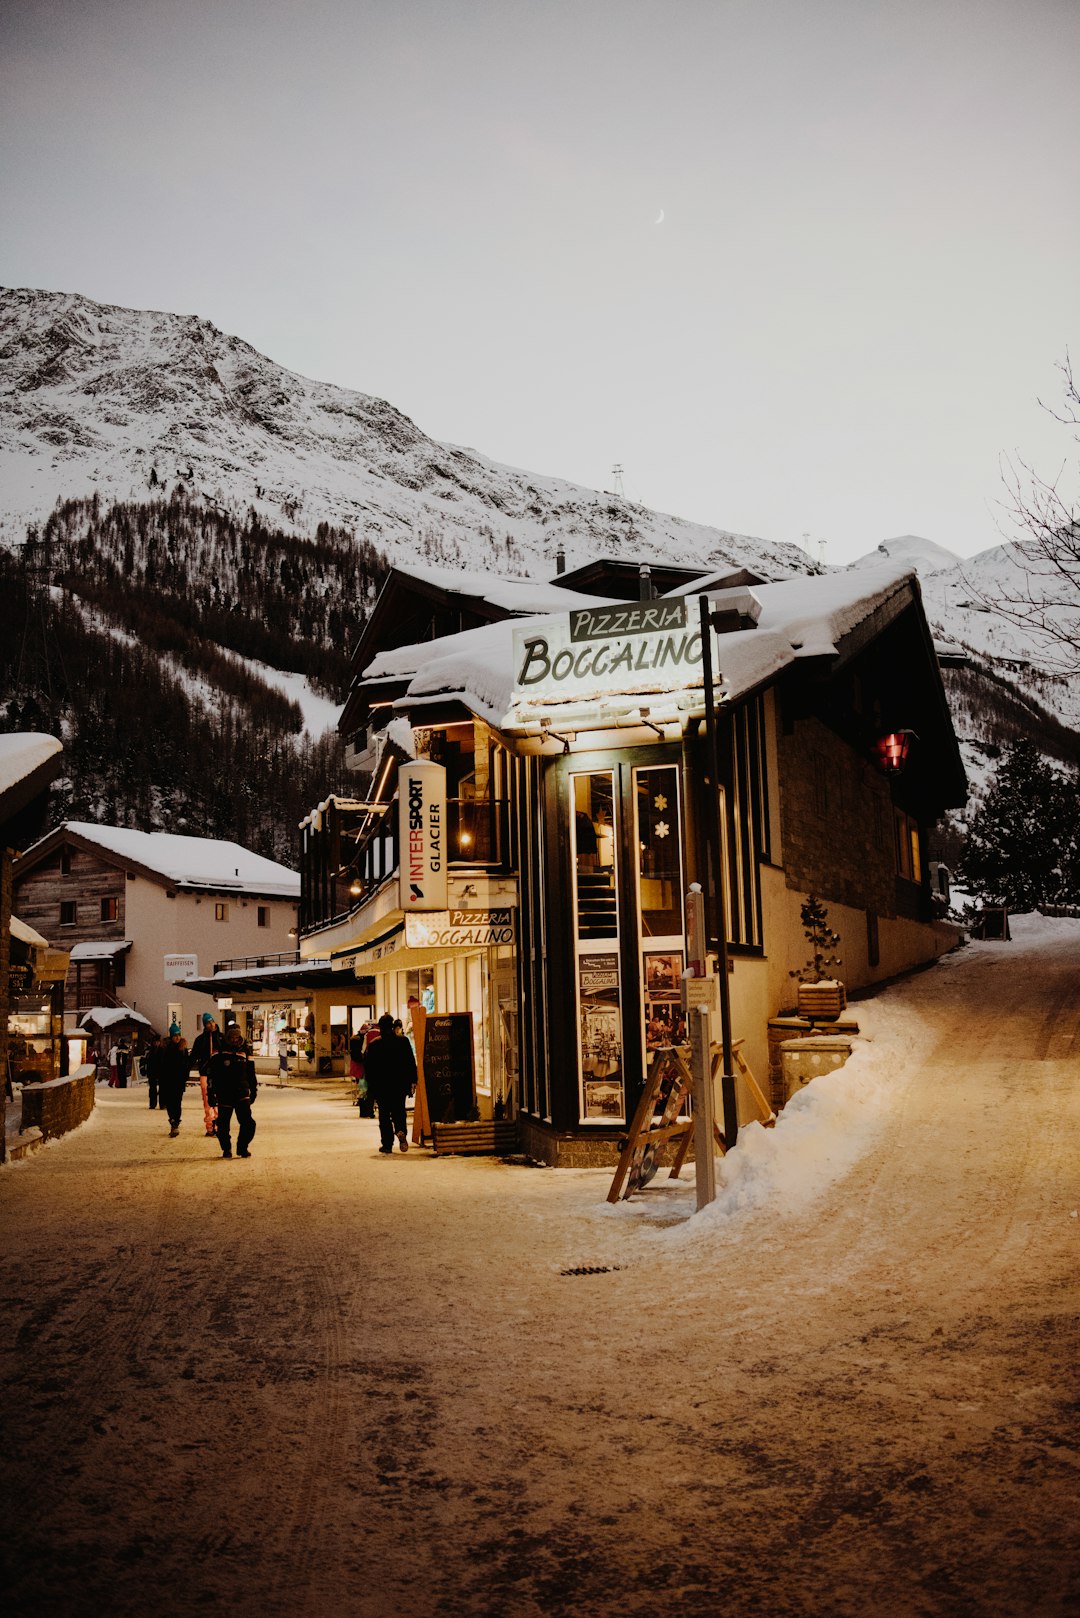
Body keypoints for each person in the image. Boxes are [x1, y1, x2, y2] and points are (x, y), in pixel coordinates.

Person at [364, 1013, 416, 1154]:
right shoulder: (403, 1041)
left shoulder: (374, 1044)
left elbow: (369, 1068)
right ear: (393, 1026)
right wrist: (413, 1081)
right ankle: (401, 1131)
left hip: (381, 1086)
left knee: (384, 1115)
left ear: (380, 1027)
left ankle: (387, 1144)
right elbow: (410, 1062)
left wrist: (371, 1086)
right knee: (399, 1110)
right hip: (399, 1084)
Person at [206, 1022, 258, 1159]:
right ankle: (226, 1149)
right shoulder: (218, 1051)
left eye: (237, 1037)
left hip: (242, 1092)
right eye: (232, 1037)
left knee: (248, 1123)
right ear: (227, 1038)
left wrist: (253, 1090)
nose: (235, 1040)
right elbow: (212, 1074)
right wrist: (211, 1093)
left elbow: (251, 1073)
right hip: (224, 1093)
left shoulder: (245, 1050)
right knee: (223, 1125)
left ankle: (242, 1147)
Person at [190, 1013, 221, 1137]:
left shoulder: (221, 1038)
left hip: (219, 1074)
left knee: (219, 1100)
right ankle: (210, 1126)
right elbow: (193, 1057)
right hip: (205, 1073)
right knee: (207, 1101)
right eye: (208, 1023)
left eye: (211, 1022)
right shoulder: (200, 1040)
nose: (211, 1024)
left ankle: (218, 1125)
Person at [159, 1031, 190, 1136]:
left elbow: (186, 1064)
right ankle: (172, 1120)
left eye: (178, 1035)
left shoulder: (183, 1050)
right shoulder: (165, 1049)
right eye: (175, 1036)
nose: (177, 1038)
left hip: (179, 1080)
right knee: (169, 1102)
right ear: (171, 1036)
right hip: (167, 1080)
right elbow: (162, 1064)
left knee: (177, 1102)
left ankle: (175, 1122)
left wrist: (185, 1076)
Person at [144, 1033, 166, 1110]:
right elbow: (146, 1061)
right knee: (152, 1089)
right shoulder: (150, 1051)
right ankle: (152, 1104)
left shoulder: (163, 1050)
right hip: (152, 1072)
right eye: (155, 1042)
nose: (157, 1043)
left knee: (162, 1089)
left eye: (158, 1042)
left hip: (161, 1072)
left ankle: (162, 1104)